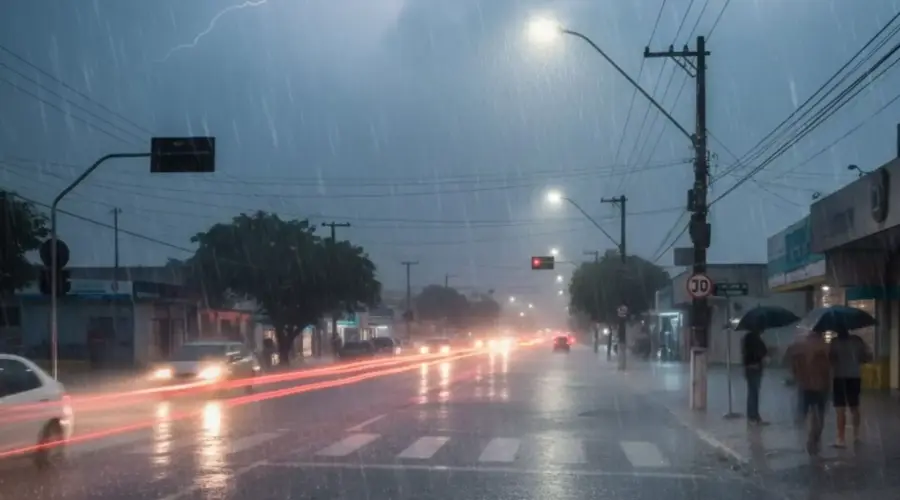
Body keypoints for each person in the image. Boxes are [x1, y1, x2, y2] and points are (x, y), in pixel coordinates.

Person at [787, 329, 831, 457]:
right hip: (821, 386)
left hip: (805, 386)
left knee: (806, 414)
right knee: (819, 414)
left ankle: (811, 437)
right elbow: (828, 369)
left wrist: (797, 376)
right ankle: (814, 438)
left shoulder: (799, 348)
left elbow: (793, 366)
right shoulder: (824, 347)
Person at [829, 327, 872, 447]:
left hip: (839, 377)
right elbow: (866, 358)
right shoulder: (857, 340)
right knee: (854, 406)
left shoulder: (834, 342)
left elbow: (831, 359)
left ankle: (841, 438)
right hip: (854, 376)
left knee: (840, 409)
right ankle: (856, 435)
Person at [741, 329, 768, 425]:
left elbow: (744, 354)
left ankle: (752, 416)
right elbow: (763, 352)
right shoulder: (756, 340)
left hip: (748, 368)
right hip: (756, 367)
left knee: (752, 392)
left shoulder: (746, 339)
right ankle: (754, 416)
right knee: (754, 393)